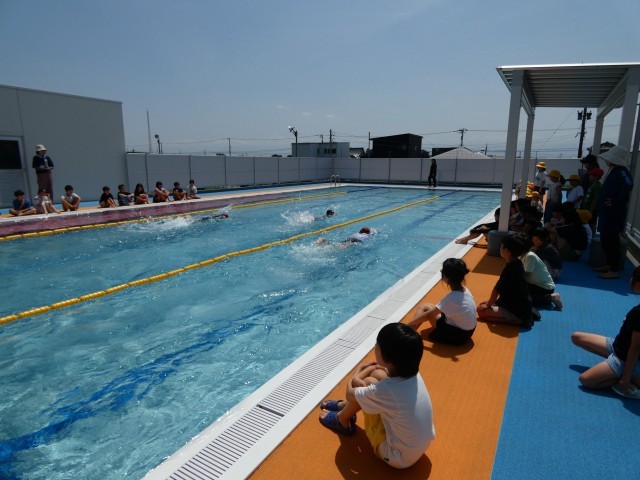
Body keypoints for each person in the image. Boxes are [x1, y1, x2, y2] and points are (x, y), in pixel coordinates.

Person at [318, 323, 435, 469]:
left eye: (377, 344)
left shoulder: (387, 392)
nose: (375, 346)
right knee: (378, 376)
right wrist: (372, 370)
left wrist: (357, 373)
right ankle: (344, 407)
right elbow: (383, 376)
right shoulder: (413, 373)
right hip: (417, 446)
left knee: (366, 384)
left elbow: (349, 393)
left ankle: (342, 419)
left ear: (388, 359)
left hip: (396, 456)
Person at [571, 266, 640, 398]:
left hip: (624, 357)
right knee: (576, 337)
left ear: (637, 285)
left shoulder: (639, 313)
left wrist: (626, 376)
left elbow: (635, 347)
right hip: (618, 345)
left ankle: (629, 376)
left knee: (586, 380)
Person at [409, 258, 477, 345]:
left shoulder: (451, 298)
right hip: (468, 332)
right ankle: (411, 330)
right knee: (429, 306)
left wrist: (407, 324)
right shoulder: (465, 290)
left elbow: (429, 315)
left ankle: (407, 332)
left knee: (424, 308)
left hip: (458, 336)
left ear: (446, 276)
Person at [593, 146, 634, 279]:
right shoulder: (615, 170)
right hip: (608, 213)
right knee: (606, 239)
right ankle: (609, 264)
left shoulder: (621, 171)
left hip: (613, 214)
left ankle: (614, 269)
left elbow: (628, 184)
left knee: (612, 241)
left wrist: (615, 201)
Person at [477, 234, 533, 327]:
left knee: (482, 313)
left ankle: (519, 320)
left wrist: (488, 305)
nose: (500, 248)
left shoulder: (511, 268)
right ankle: (518, 318)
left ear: (507, 251)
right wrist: (489, 303)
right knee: (482, 305)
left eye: (501, 246)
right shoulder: (517, 263)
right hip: (516, 304)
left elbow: (497, 289)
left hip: (516, 310)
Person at [520, 234, 563, 310]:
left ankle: (550, 297)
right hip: (535, 283)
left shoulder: (530, 256)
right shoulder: (523, 255)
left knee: (524, 300)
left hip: (544, 287)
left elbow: (526, 275)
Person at [581, 167, 604, 233]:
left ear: (597, 176)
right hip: (587, 209)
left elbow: (595, 199)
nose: (589, 176)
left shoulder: (597, 186)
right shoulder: (593, 185)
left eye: (591, 175)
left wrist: (590, 211)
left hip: (591, 211)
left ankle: (590, 238)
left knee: (590, 226)